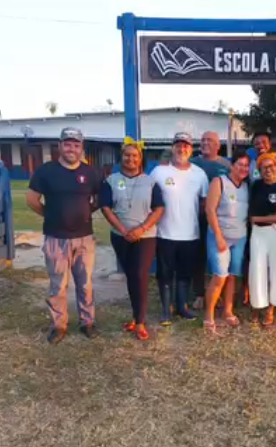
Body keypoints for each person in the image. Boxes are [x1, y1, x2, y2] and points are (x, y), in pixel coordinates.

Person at [26, 127, 100, 344]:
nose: (71, 149)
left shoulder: (91, 173)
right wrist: (51, 215)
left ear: (81, 148)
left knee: (85, 283)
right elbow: (32, 200)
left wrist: (83, 214)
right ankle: (59, 325)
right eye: (67, 144)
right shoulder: (45, 171)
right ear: (59, 146)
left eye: (76, 145)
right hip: (56, 238)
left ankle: (87, 322)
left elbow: (97, 200)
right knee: (58, 285)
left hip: (84, 238)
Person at [99, 139, 164, 341]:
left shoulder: (150, 182)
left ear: (140, 158)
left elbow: (159, 209)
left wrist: (141, 229)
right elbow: (105, 207)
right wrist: (123, 229)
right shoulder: (111, 181)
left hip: (145, 237)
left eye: (135, 155)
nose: (131, 159)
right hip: (120, 236)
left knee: (140, 275)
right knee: (131, 276)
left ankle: (141, 322)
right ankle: (136, 318)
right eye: (127, 155)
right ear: (122, 157)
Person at [151, 132, 209, 325]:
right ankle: (166, 310)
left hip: (190, 234)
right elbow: (148, 198)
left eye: (185, 145)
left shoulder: (199, 174)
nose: (181, 149)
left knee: (184, 274)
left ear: (191, 150)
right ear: (172, 147)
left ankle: (182, 307)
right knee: (165, 274)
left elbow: (204, 203)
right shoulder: (159, 172)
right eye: (178, 145)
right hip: (165, 233)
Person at [204, 151, 250, 334]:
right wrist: (218, 236)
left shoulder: (246, 186)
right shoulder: (219, 182)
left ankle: (227, 311)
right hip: (220, 237)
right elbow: (210, 210)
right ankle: (209, 315)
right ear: (232, 165)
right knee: (219, 276)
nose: (243, 168)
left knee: (232, 276)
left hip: (240, 237)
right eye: (240, 164)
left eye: (246, 166)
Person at [190, 131, 231, 310]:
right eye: (203, 140)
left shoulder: (226, 165)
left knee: (219, 257)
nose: (206, 143)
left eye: (210, 140)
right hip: (196, 218)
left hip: (219, 220)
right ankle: (199, 293)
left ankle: (218, 293)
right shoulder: (192, 163)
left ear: (218, 145)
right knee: (198, 256)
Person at [249, 152, 276, 326]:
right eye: (264, 167)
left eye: (271, 166)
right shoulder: (256, 186)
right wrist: (256, 221)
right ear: (259, 171)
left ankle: (271, 309)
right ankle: (257, 305)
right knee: (257, 269)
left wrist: (257, 219)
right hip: (258, 233)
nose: (268, 170)